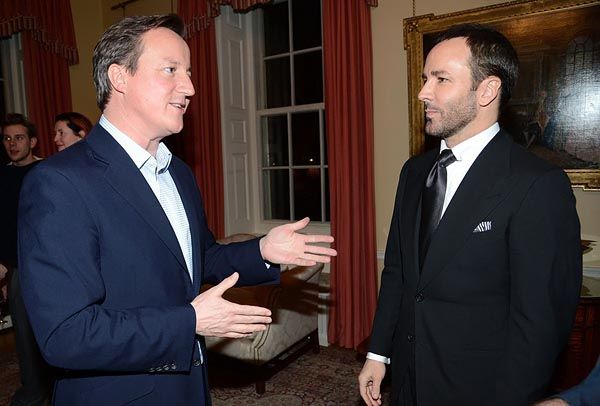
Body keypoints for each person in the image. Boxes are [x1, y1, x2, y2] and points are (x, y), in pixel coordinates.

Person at [18, 14, 336, 406]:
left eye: (188, 72)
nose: (189, 88)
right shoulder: (59, 182)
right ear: (119, 77)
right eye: (171, 70)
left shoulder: (178, 172)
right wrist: (190, 321)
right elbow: (65, 335)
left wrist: (262, 251)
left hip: (188, 385)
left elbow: (199, 258)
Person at [358, 24, 582, 406]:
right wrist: (378, 355)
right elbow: (398, 272)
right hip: (408, 382)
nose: (423, 92)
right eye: (425, 78)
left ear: (487, 90)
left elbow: (539, 327)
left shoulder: (538, 185)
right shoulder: (414, 172)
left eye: (441, 79)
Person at [0, 113, 51, 406]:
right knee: (23, 332)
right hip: (17, 266)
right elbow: (5, 226)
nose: (12, 144)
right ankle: (34, 390)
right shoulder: (2, 176)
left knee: (51, 328)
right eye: (7, 138)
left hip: (46, 263)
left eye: (18, 138)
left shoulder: (47, 171)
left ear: (32, 142)